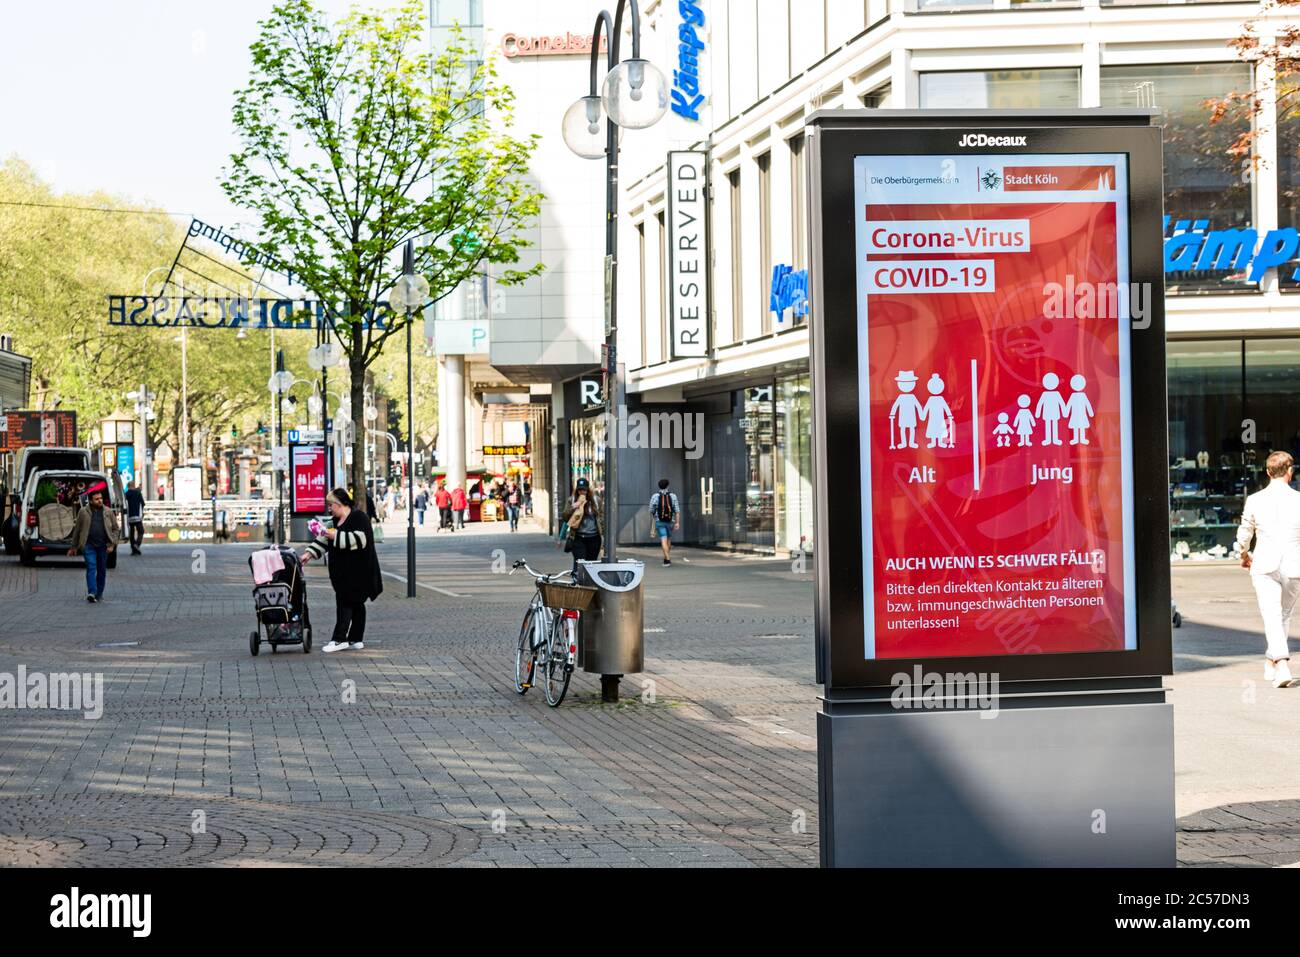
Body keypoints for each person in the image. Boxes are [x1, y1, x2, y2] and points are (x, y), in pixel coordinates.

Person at [1237, 451, 1300, 688]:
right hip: (1294, 564)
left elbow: (1245, 533)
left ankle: (1279, 661)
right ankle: (1275, 660)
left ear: (1267, 472)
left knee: (1272, 615)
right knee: (1283, 615)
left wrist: (1243, 554)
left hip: (1264, 563)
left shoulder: (1255, 500)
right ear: (1290, 471)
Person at [302, 487, 383, 653]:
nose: (329, 508)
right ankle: (356, 638)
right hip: (341, 572)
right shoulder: (333, 521)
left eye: (331, 505)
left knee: (345, 602)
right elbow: (322, 540)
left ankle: (339, 639)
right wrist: (308, 554)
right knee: (357, 604)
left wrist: (334, 536)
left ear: (340, 504)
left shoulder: (359, 517)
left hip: (358, 571)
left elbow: (360, 540)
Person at [68, 485, 120, 603]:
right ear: (90, 501)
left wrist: (112, 544)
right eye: (97, 499)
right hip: (88, 545)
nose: (100, 500)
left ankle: (99, 593)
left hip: (103, 546)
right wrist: (73, 547)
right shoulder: (83, 512)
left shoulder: (108, 512)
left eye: (101, 498)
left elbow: (116, 529)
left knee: (101, 570)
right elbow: (77, 530)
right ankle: (92, 592)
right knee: (91, 567)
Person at [560, 478, 603, 571]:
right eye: (580, 490)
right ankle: (577, 582)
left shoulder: (596, 500)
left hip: (594, 538)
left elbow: (602, 518)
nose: (582, 492)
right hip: (578, 537)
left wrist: (604, 536)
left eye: (584, 490)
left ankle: (589, 584)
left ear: (588, 490)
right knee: (579, 563)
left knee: (592, 564)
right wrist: (573, 507)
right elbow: (564, 517)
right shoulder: (572, 500)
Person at [649, 478, 681, 566]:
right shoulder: (673, 496)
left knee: (663, 539)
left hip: (659, 521)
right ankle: (666, 557)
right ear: (668, 486)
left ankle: (667, 559)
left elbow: (651, 509)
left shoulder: (655, 496)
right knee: (669, 539)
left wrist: (654, 515)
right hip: (670, 521)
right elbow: (677, 510)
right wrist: (677, 523)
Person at [124, 480, 145, 555]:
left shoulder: (126, 494)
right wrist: (142, 513)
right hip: (137, 516)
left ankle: (134, 550)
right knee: (141, 531)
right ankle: (137, 544)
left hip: (129, 516)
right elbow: (143, 503)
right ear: (133, 485)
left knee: (132, 533)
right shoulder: (138, 493)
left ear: (128, 486)